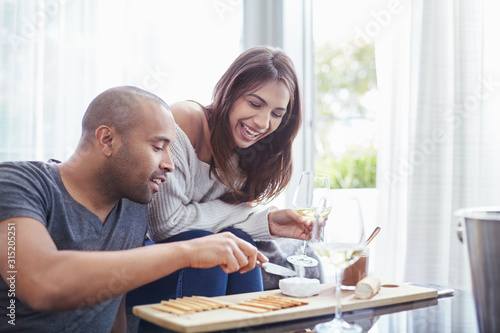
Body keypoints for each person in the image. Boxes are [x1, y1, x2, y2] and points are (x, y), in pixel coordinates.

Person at [0, 86, 268, 333]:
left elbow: (115, 303)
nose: (170, 164)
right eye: (158, 147)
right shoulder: (18, 183)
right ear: (107, 140)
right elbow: (41, 283)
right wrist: (189, 251)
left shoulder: (133, 207)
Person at [126, 46, 309, 316]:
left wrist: (265, 222)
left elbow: (219, 221)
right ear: (230, 91)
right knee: (209, 247)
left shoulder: (255, 149)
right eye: (255, 104)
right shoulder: (184, 121)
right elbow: (165, 225)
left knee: (238, 240)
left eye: (277, 114)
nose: (262, 122)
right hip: (146, 262)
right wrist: (252, 215)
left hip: (197, 266)